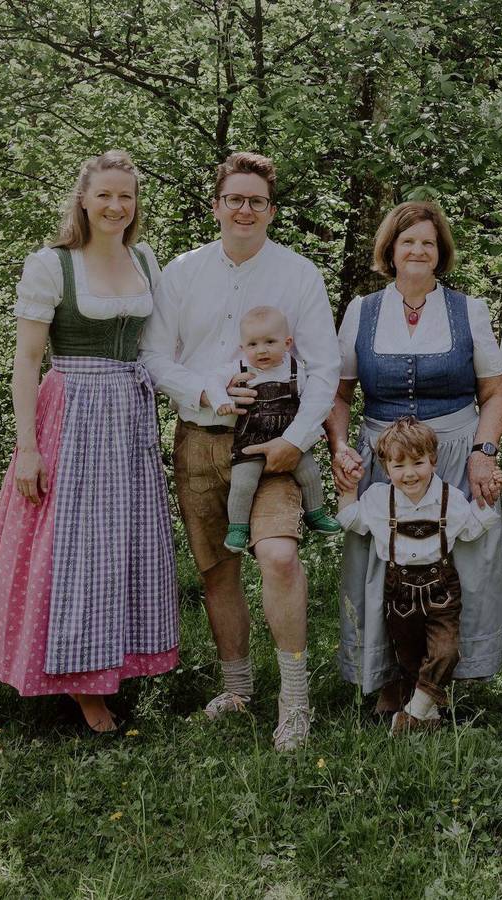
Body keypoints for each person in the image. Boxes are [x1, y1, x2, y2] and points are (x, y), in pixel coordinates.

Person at [0, 150, 179, 733]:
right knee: (76, 545)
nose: (116, 206)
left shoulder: (144, 259)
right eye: (105, 194)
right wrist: (28, 447)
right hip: (74, 413)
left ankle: (116, 660)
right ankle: (81, 683)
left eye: (127, 196)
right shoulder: (52, 265)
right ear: (83, 199)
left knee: (125, 541)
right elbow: (27, 361)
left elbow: (159, 348)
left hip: (129, 418)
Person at [139, 151, 340, 751]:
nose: (244, 209)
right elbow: (154, 358)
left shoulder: (299, 275)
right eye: (235, 199)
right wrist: (205, 390)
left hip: (276, 442)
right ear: (217, 205)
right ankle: (237, 687)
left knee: (277, 557)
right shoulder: (181, 273)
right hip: (201, 438)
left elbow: (326, 368)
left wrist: (296, 441)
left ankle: (295, 701)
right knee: (216, 568)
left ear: (270, 210)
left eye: (256, 200)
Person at [328, 200, 502, 713]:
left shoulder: (467, 309)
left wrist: (484, 452)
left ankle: (443, 679)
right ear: (390, 249)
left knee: (462, 561)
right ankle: (388, 678)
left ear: (441, 254)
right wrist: (343, 447)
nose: (418, 250)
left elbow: (497, 391)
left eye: (428, 243)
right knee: (379, 563)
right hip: (383, 455)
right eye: (408, 241)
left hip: (455, 451)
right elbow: (340, 393)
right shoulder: (363, 312)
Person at [337, 417, 501, 734]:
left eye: (418, 463)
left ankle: (410, 714)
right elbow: (350, 520)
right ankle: (428, 719)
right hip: (399, 592)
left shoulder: (449, 499)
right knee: (410, 660)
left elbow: (470, 530)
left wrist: (488, 500)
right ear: (386, 469)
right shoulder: (377, 499)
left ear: (433, 461)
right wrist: (346, 489)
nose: (410, 473)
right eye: (399, 466)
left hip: (441, 590)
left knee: (445, 652)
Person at [211, 306, 343, 552]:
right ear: (243, 348)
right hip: (251, 440)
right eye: (252, 344)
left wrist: (313, 431)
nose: (261, 350)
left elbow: (313, 401)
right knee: (242, 482)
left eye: (270, 342)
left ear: (287, 342)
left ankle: (316, 513)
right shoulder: (239, 368)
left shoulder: (296, 370)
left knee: (310, 472)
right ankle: (238, 527)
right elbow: (212, 381)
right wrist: (222, 400)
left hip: (288, 437)